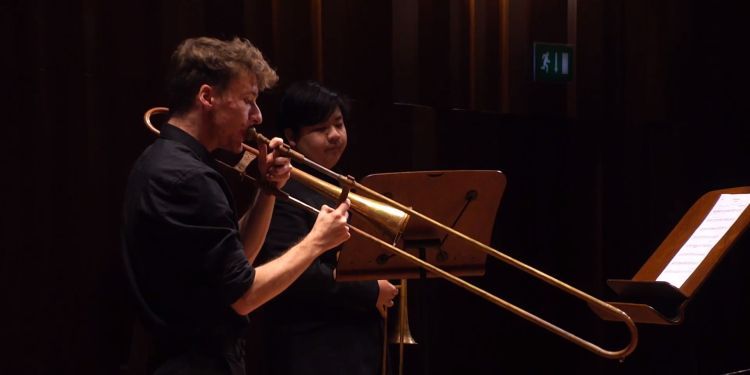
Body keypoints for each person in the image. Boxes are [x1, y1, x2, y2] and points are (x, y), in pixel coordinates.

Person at [121, 37, 352, 375]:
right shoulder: (188, 178)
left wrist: (267, 189)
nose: (257, 117)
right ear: (207, 97)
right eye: (248, 100)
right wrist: (317, 242)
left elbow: (238, 260)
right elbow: (244, 296)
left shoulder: (168, 162)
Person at [255, 81, 398, 375]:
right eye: (321, 129)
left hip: (352, 346)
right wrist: (370, 291)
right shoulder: (284, 191)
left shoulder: (339, 185)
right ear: (291, 137)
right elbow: (292, 273)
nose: (335, 136)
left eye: (339, 124)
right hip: (314, 350)